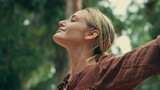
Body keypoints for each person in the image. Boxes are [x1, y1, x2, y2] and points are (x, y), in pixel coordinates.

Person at [53, 8, 160, 90]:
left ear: (91, 34)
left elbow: (150, 53)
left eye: (73, 20)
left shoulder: (104, 71)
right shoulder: (65, 84)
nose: (61, 22)